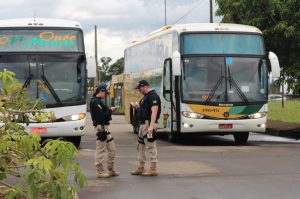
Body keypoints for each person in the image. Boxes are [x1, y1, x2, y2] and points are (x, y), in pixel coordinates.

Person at [130, 80, 161, 176]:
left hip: (148, 125)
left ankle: (153, 168)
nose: (139, 90)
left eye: (139, 88)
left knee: (151, 147)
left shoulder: (153, 96)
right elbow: (145, 110)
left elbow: (154, 111)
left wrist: (151, 126)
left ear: (144, 87)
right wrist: (137, 107)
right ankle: (141, 167)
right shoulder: (145, 97)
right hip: (143, 125)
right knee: (141, 147)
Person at [90, 84, 120, 178]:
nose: (105, 95)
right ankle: (100, 171)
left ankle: (110, 169)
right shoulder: (95, 102)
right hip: (100, 129)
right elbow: (101, 116)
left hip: (105, 128)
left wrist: (110, 110)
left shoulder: (99, 101)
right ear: (101, 92)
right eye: (105, 93)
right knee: (101, 150)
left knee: (112, 149)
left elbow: (104, 113)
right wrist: (110, 110)